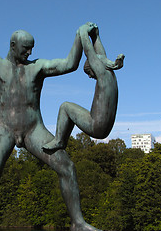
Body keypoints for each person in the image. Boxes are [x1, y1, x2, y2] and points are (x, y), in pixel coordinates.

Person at [0, 0, 112, 231]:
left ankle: (77, 223)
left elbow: (70, 64)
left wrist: (79, 36)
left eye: (32, 48)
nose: (30, 52)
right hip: (4, 128)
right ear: (12, 46)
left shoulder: (37, 67)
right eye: (25, 49)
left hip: (33, 129)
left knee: (67, 167)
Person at [43, 23, 124, 152]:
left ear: (94, 68)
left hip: (96, 126)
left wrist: (83, 32)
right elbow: (101, 56)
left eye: (89, 73)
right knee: (69, 108)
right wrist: (96, 36)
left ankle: (59, 140)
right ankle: (60, 140)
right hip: (105, 128)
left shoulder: (102, 75)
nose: (90, 77)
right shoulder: (110, 75)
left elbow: (89, 52)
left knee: (65, 107)